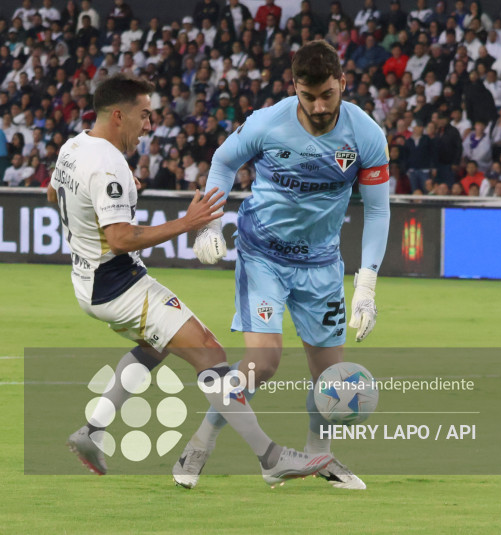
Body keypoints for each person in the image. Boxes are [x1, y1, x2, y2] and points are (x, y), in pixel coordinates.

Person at [48, 74, 332, 485]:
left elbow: (51, 194)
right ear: (117, 115)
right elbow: (121, 237)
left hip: (87, 280)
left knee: (155, 345)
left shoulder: (73, 147)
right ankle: (270, 458)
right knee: (211, 354)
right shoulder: (107, 163)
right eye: (144, 116)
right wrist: (189, 221)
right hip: (118, 284)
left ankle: (92, 430)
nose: (149, 125)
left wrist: (116, 194)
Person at [177, 41, 391, 490]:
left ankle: (320, 457)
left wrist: (367, 284)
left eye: (327, 95)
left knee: (331, 376)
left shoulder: (366, 135)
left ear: (342, 85)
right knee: (263, 361)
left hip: (322, 264)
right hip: (263, 256)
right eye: (308, 95)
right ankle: (201, 442)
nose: (317, 106)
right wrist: (210, 225)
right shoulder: (268, 122)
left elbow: (377, 211)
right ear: (294, 86)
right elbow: (223, 160)